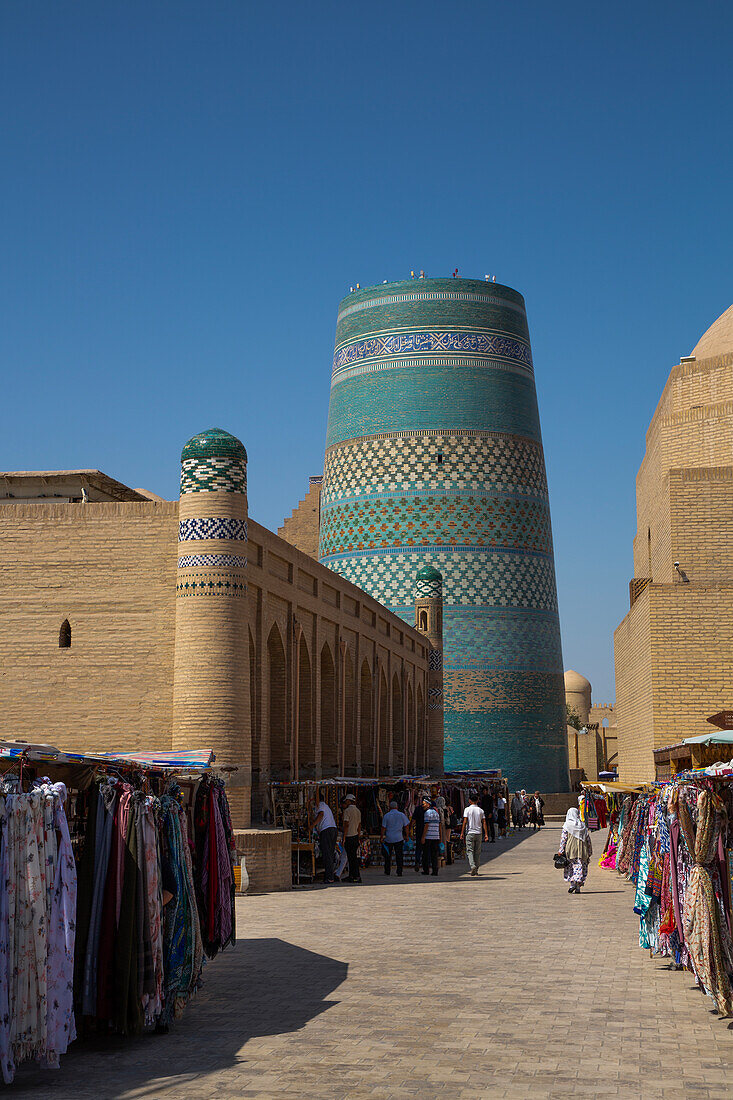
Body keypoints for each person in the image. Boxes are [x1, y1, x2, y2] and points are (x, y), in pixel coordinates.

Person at [558, 806, 592, 893]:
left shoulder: (566, 825)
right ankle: (578, 887)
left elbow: (563, 839)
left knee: (571, 867)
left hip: (571, 850)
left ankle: (572, 885)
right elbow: (588, 839)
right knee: (580, 867)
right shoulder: (582, 825)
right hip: (582, 850)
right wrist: (589, 851)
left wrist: (561, 851)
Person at [460, 790, 489, 876]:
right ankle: (476, 868)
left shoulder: (467, 810)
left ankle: (473, 866)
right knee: (477, 852)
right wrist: (486, 834)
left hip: (470, 833)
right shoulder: (481, 810)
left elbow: (465, 822)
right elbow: (484, 822)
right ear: (477, 801)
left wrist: (462, 833)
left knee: (470, 851)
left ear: (469, 801)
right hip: (478, 833)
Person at [313, 791, 338, 884]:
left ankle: (329, 877)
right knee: (329, 854)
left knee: (327, 854)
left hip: (327, 830)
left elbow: (321, 815)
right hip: (332, 830)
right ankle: (330, 875)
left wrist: (312, 825)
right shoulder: (325, 806)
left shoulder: (321, 805)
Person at [381, 799, 409, 876]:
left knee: (387, 856)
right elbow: (406, 826)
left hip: (389, 838)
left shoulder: (386, 815)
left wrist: (381, 837)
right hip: (399, 838)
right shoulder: (402, 815)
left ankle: (387, 871)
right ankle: (399, 871)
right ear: (397, 807)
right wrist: (407, 835)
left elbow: (383, 827)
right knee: (399, 856)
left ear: (390, 807)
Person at [342, 793, 362, 883]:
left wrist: (344, 838)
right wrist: (358, 836)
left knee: (351, 858)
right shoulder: (358, 811)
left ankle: (355, 876)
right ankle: (353, 875)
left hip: (349, 836)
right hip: (355, 836)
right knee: (353, 857)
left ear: (349, 801)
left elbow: (346, 825)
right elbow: (359, 825)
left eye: (346, 800)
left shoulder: (347, 811)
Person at [420, 796, 443, 876]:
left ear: (428, 804)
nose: (422, 805)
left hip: (428, 837)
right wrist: (440, 836)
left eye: (424, 804)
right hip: (435, 837)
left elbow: (426, 825)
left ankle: (426, 870)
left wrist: (423, 837)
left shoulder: (427, 813)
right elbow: (440, 826)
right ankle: (435, 870)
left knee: (426, 854)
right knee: (434, 855)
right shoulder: (436, 813)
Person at [411, 793, 426, 872]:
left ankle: (417, 861)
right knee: (426, 849)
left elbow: (413, 820)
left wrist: (411, 830)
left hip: (419, 831)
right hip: (427, 832)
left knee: (418, 848)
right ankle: (424, 864)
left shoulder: (417, 809)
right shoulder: (429, 809)